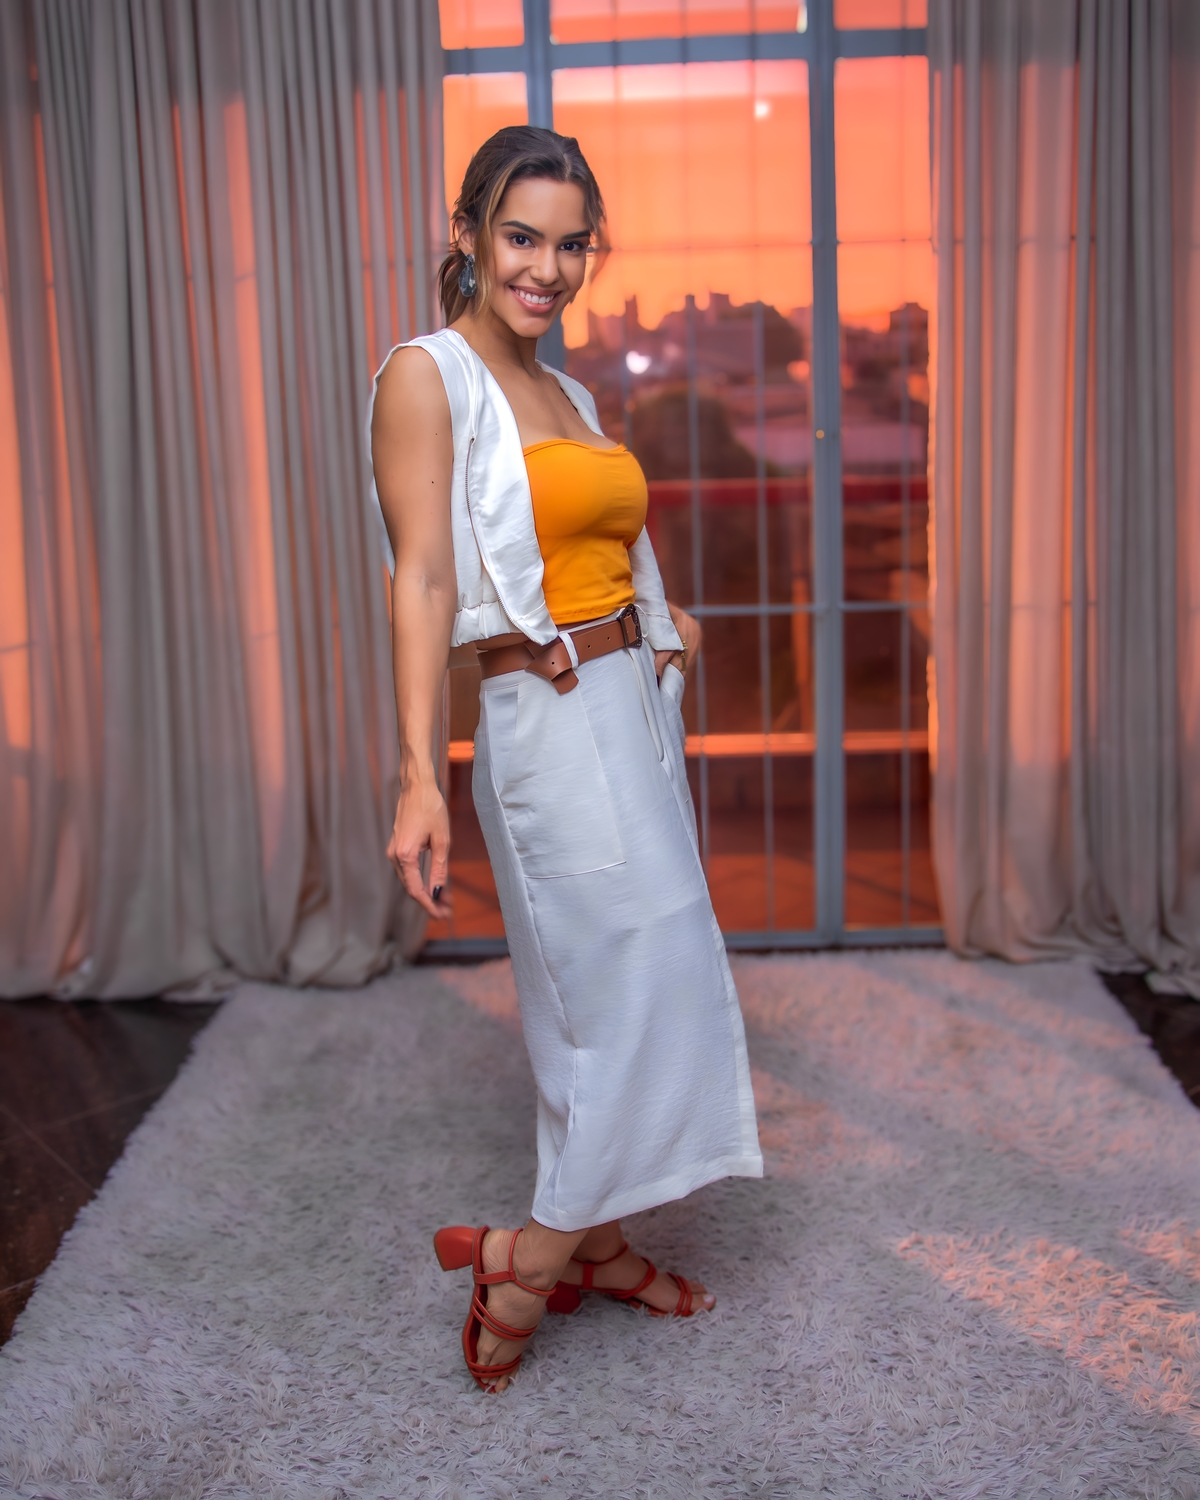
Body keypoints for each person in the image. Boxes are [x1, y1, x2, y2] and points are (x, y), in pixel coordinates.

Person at [368, 126, 762, 1393]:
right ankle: (526, 1260)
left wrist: (659, 620)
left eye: (570, 243)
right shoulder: (426, 376)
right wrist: (420, 775)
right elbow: (424, 579)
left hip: (627, 705)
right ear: (470, 236)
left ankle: (596, 1244)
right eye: (521, 237)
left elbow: (595, 549)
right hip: (542, 722)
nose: (547, 267)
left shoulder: (574, 396)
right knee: (614, 994)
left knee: (656, 977)